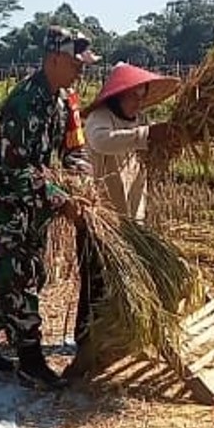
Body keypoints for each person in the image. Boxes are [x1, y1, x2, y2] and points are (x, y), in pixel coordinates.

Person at [0, 25, 98, 390]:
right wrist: (62, 200)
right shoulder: (24, 102)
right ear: (54, 59)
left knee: (28, 275)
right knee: (19, 278)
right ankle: (31, 361)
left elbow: (75, 149)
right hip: (7, 205)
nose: (81, 69)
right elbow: (15, 168)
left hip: (36, 207)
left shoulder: (66, 99)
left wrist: (81, 181)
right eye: (75, 62)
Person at [63, 62, 182, 379]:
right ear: (118, 96)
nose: (138, 102)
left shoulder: (140, 120)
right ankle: (85, 352)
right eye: (133, 96)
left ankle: (120, 342)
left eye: (142, 96)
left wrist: (168, 142)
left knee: (129, 288)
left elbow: (145, 144)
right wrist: (146, 135)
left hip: (132, 221)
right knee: (97, 287)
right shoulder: (100, 120)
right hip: (101, 222)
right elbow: (103, 141)